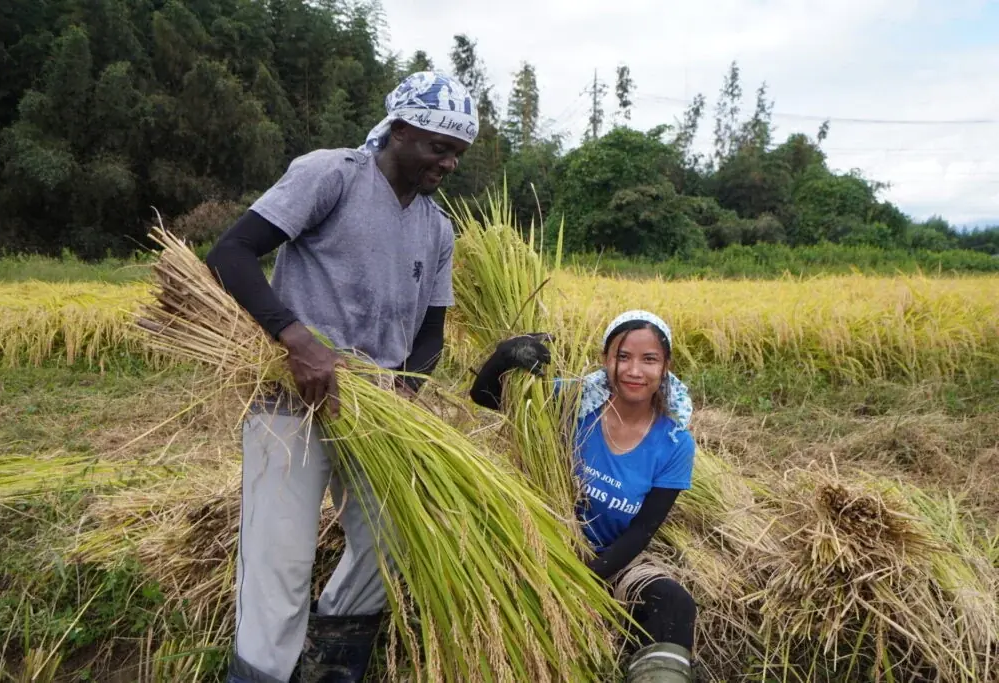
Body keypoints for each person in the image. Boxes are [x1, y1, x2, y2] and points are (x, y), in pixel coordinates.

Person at [205, 71, 479, 683]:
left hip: (376, 409)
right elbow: (230, 254)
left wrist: (411, 387)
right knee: (279, 562)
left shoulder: (437, 227)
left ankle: (332, 664)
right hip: (291, 401)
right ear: (401, 132)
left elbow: (430, 329)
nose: (449, 163)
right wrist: (295, 338)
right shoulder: (333, 174)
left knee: (391, 542)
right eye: (440, 147)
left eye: (458, 153)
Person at [470, 310, 699, 683]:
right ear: (605, 360)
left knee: (673, 603)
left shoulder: (674, 443)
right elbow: (485, 397)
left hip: (612, 558)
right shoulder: (572, 402)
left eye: (649, 359)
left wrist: (585, 577)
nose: (634, 371)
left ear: (665, 366)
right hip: (539, 540)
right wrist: (505, 355)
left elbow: (642, 531)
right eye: (622, 357)